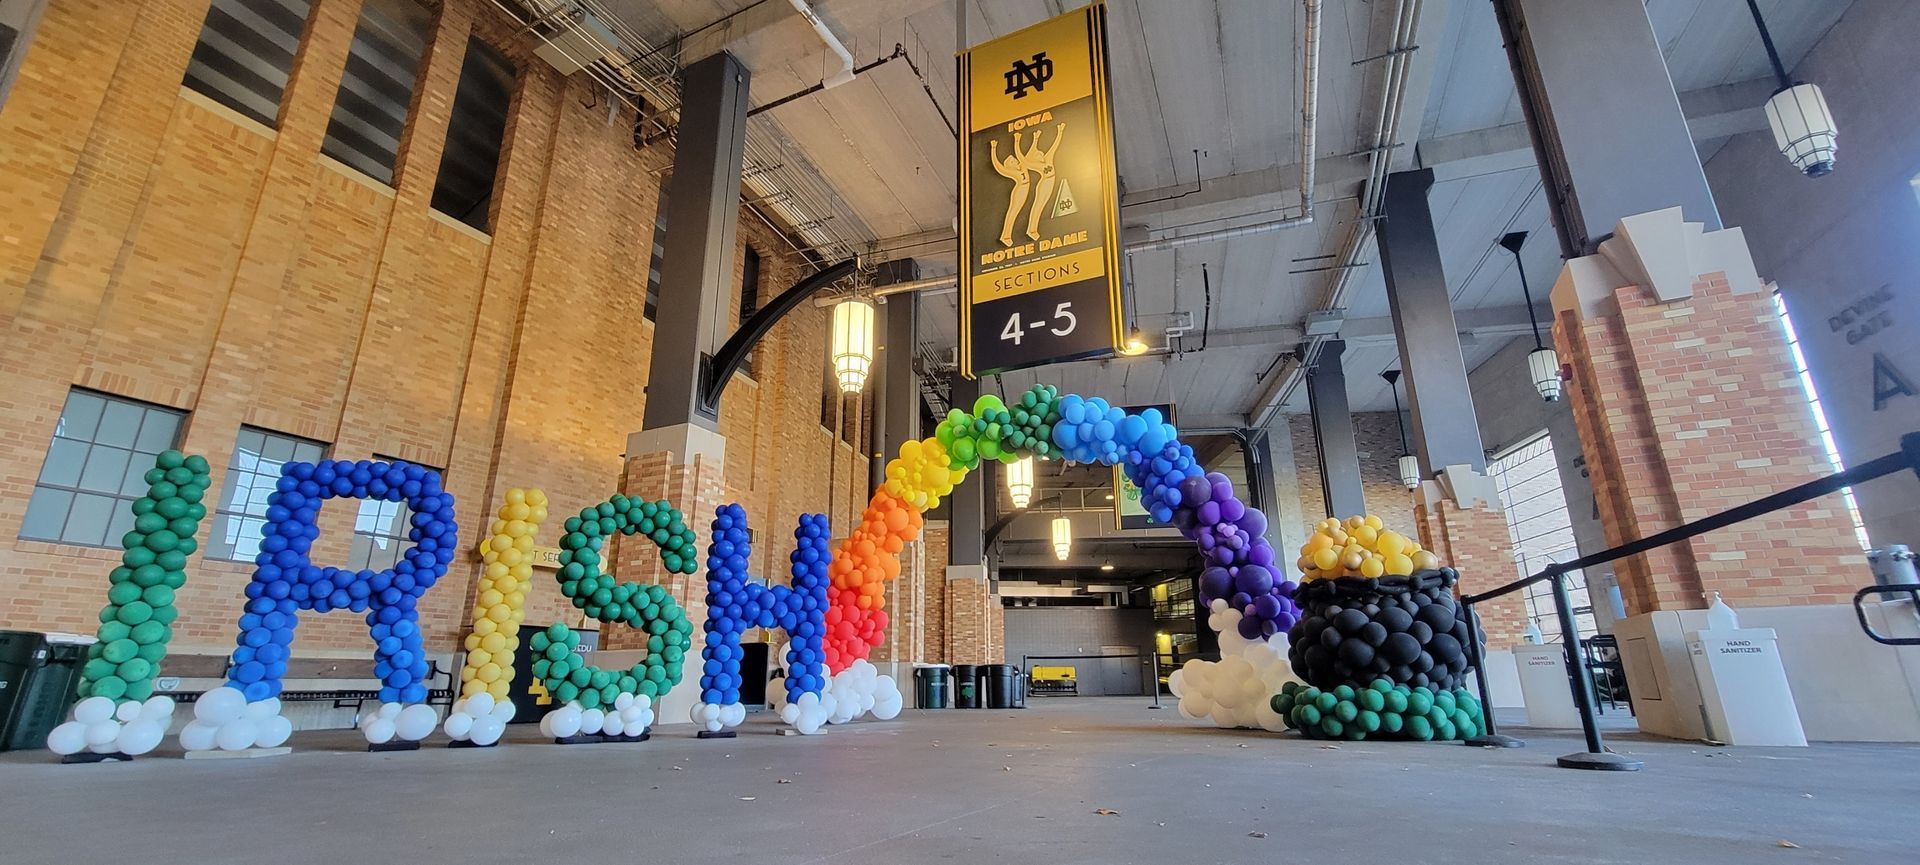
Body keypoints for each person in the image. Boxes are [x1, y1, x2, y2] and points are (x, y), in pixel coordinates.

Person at [1019, 122, 1067, 242]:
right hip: (1043, 185)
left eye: (1040, 153)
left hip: (1049, 185)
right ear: (1035, 158)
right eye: (1038, 154)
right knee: (1037, 206)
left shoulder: (1048, 159)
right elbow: (1022, 160)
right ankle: (1031, 229)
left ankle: (1033, 229)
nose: (1041, 153)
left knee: (1041, 207)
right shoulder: (1036, 165)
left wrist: (1059, 131)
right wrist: (1017, 142)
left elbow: (1054, 145)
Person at [990, 133, 1032, 248]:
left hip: (1025, 190)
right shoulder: (1012, 172)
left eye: (1015, 160)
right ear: (1010, 166)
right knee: (1013, 212)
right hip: (1019, 192)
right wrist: (993, 148)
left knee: (1021, 212)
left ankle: (1023, 231)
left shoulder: (1022, 167)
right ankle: (1006, 235)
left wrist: (1017, 140)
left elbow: (1019, 155)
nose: (1017, 162)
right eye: (1014, 161)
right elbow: (998, 166)